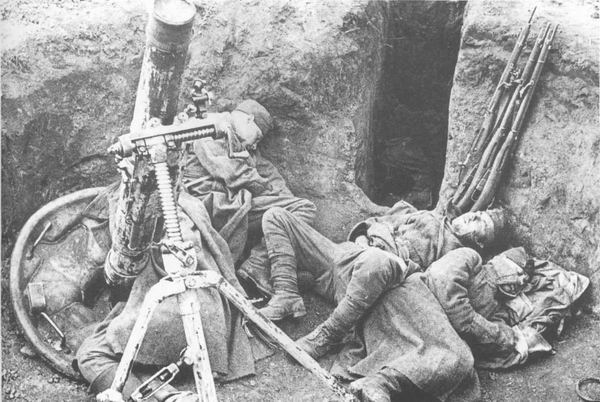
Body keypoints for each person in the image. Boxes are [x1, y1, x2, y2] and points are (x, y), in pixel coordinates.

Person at [257, 199, 504, 334]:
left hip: (370, 279)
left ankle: (325, 329)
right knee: (276, 216)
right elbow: (375, 221)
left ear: (480, 242)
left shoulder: (457, 255)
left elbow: (427, 289)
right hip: (346, 253)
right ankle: (287, 294)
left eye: (480, 223)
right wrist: (363, 238)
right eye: (477, 213)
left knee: (377, 261)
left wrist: (394, 259)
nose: (472, 216)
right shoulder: (425, 215)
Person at [183, 99, 316, 318]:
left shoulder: (244, 145)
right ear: (249, 119)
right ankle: (259, 266)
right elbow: (235, 175)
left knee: (297, 211)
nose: (255, 145)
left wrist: (279, 194)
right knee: (303, 208)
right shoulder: (211, 126)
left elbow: (269, 173)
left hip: (232, 205)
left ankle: (266, 268)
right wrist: (267, 189)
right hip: (212, 205)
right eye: (258, 137)